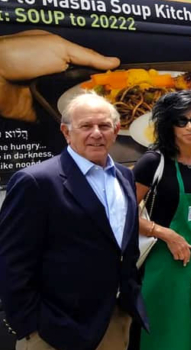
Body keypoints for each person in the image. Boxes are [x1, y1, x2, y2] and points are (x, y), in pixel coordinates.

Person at [0, 93, 147, 350]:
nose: (96, 133)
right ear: (66, 132)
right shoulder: (36, 182)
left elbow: (124, 246)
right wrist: (33, 325)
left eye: (103, 126)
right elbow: (11, 262)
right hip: (54, 330)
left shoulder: (124, 176)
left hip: (113, 321)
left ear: (116, 130)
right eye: (86, 126)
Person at [132, 90, 191, 350]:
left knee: (190, 332)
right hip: (162, 264)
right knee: (161, 334)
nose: (190, 126)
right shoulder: (153, 162)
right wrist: (165, 233)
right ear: (168, 124)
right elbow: (123, 212)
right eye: (181, 120)